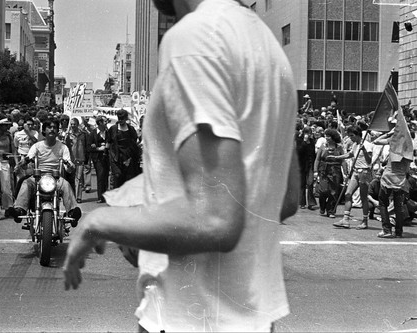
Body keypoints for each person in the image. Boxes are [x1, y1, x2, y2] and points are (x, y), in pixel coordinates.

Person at [63, 0, 298, 331]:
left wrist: (101, 222)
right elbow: (284, 199)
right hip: (255, 318)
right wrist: (149, 217)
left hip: (188, 317)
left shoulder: (193, 38)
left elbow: (216, 219)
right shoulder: (270, 48)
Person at [7, 120, 81, 227]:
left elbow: (69, 167)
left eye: (54, 127)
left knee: (66, 185)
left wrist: (69, 165)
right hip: (38, 177)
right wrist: (22, 163)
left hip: (55, 178)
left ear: (57, 131)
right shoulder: (37, 146)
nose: (52, 129)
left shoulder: (63, 147)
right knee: (26, 183)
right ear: (44, 131)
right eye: (49, 127)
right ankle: (19, 210)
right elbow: (27, 159)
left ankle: (72, 212)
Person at [331, 125, 373, 229]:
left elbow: (369, 161)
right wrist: (336, 157)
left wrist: (364, 150)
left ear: (358, 135)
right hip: (355, 172)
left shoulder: (368, 145)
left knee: (363, 197)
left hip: (364, 173)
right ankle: (345, 219)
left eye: (352, 135)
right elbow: (350, 154)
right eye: (349, 136)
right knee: (348, 193)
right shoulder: (355, 145)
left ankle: (365, 221)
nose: (350, 138)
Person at [372, 129, 411, 238]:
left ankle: (386, 230)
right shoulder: (409, 146)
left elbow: (376, 141)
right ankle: (399, 232)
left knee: (383, 203)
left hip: (388, 178)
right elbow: (408, 169)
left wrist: (389, 133)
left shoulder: (392, 141)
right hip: (401, 180)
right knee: (399, 206)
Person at [314, 128, 344, 218]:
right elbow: (317, 159)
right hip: (324, 171)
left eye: (328, 136)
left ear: (333, 137)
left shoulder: (339, 148)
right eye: (326, 136)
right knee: (323, 190)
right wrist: (315, 171)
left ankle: (331, 210)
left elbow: (343, 160)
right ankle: (322, 207)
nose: (326, 137)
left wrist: (346, 172)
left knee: (334, 192)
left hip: (335, 171)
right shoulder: (323, 146)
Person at [107, 109, 141, 189]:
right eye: (119, 118)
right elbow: (109, 143)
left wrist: (129, 159)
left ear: (126, 118)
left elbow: (134, 145)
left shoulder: (131, 129)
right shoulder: (113, 129)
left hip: (129, 159)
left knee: (128, 180)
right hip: (116, 158)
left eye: (122, 118)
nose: (121, 120)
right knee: (118, 179)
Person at [88, 116, 109, 203]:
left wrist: (107, 146)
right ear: (100, 123)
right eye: (104, 121)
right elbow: (89, 147)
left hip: (106, 157)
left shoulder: (108, 132)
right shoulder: (93, 133)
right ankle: (100, 196)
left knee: (106, 176)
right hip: (97, 158)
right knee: (100, 176)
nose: (106, 123)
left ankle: (105, 195)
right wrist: (98, 148)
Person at [296, 126, 317, 209]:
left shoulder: (312, 141)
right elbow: (299, 151)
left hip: (310, 164)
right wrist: (304, 141)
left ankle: (311, 202)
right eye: (306, 132)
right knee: (302, 184)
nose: (308, 134)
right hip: (301, 165)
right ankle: (302, 202)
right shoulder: (299, 140)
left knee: (310, 183)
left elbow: (313, 153)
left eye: (309, 133)